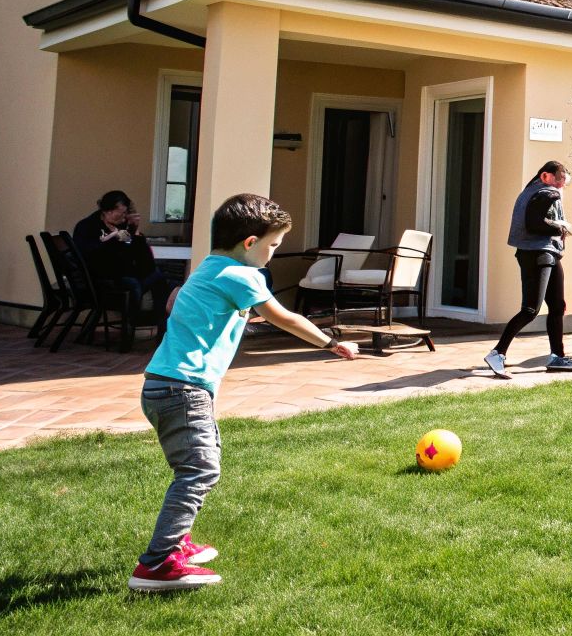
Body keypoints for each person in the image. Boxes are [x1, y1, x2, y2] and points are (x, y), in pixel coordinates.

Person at [129, 193, 358, 592]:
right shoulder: (242, 275)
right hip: (184, 389)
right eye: (273, 245)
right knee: (199, 470)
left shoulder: (208, 267)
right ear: (250, 243)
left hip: (163, 386)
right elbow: (284, 317)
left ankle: (176, 541)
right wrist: (330, 342)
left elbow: (177, 304)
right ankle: (157, 564)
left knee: (199, 463)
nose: (273, 254)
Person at [485, 160, 572, 377]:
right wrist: (560, 227)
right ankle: (497, 353)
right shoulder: (545, 193)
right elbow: (534, 224)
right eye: (559, 180)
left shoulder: (532, 192)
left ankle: (557, 357)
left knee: (557, 306)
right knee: (530, 310)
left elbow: (535, 221)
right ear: (545, 176)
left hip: (547, 253)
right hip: (537, 254)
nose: (561, 186)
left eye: (564, 182)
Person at [73, 190, 173, 344]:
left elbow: (144, 260)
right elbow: (91, 256)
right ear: (107, 211)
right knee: (133, 284)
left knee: (159, 277)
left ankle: (162, 329)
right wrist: (112, 238)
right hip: (100, 279)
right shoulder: (88, 226)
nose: (123, 217)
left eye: (125, 213)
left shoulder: (123, 228)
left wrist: (135, 232)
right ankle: (130, 329)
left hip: (125, 273)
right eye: (120, 213)